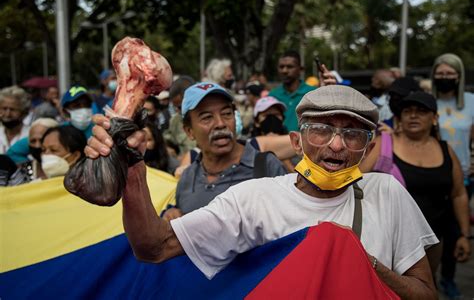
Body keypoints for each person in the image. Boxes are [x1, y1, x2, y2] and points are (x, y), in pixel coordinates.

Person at [87, 85, 440, 299]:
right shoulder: (255, 199)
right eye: (321, 130)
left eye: (353, 134)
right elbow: (154, 247)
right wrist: (133, 169)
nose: (337, 145)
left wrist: (363, 264)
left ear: (366, 148)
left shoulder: (385, 192)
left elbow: (425, 294)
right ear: (296, 142)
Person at [360, 91, 471, 277]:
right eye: (407, 111)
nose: (413, 115)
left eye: (421, 111)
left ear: (434, 118)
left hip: (432, 240)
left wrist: (464, 235)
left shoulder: (446, 150)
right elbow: (357, 182)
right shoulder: (382, 145)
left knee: (424, 287)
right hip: (388, 240)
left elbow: (458, 194)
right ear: (399, 117)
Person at [162, 82, 287, 219]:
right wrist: (170, 214)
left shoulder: (266, 167)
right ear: (189, 131)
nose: (220, 124)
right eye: (207, 117)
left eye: (227, 114)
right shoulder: (187, 179)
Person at [430, 53, 474, 298]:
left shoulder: (470, 102)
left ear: (459, 76)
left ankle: (448, 279)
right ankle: (428, 278)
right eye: (441, 73)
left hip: (462, 179)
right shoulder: (427, 101)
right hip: (430, 175)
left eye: (450, 74)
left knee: (454, 232)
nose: (445, 77)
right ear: (434, 74)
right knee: (429, 231)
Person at [269, 50, 316, 132]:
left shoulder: (312, 94)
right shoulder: (272, 96)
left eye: (290, 67)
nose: (284, 71)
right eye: (281, 67)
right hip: (278, 143)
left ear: (300, 69)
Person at [6, 118, 59, 182]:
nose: (37, 146)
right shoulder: (22, 171)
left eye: (42, 140)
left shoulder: (69, 168)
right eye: (33, 141)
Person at [164, 76, 196, 158]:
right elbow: (166, 140)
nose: (178, 111)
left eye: (180, 107)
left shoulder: (209, 119)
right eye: (176, 108)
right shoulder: (175, 120)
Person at [0, 86, 31, 154]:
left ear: (23, 111)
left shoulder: (31, 135)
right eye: (4, 109)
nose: (7, 114)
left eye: (13, 109)